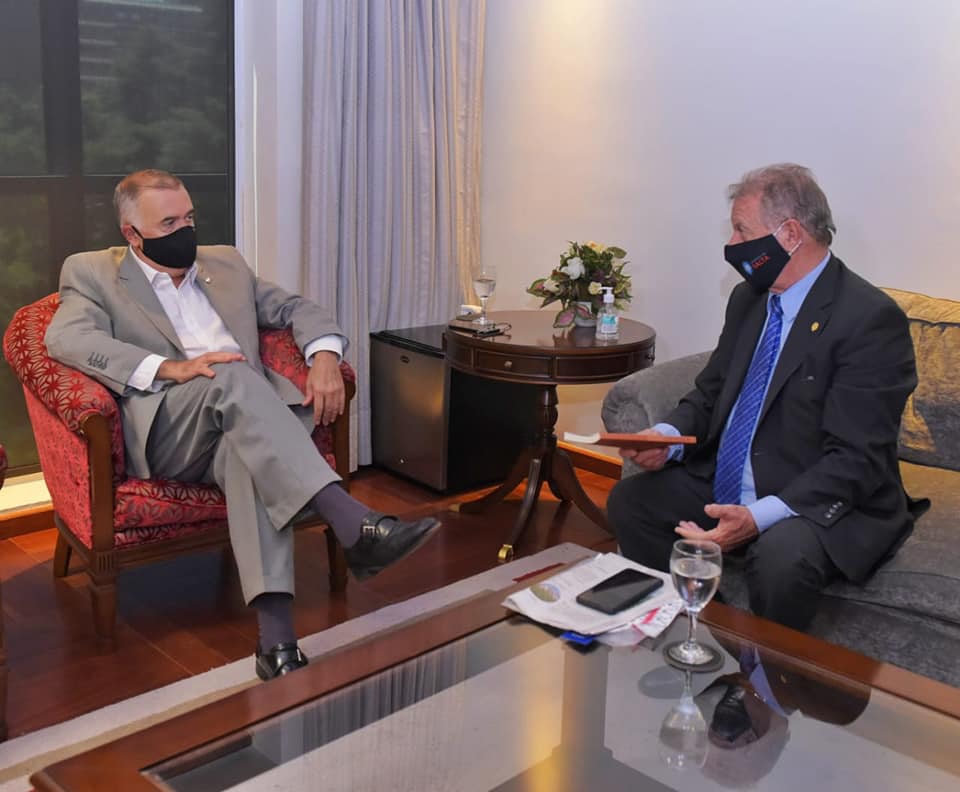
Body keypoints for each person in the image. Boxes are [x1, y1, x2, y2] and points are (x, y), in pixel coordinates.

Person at [45, 169, 441, 680]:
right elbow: (67, 339)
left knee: (247, 457)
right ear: (132, 234)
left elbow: (297, 308)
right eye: (169, 223)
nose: (185, 230)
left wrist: (324, 357)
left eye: (189, 218)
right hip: (171, 429)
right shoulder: (92, 272)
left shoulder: (225, 263)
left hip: (248, 422)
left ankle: (277, 645)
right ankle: (351, 520)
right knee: (229, 375)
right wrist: (170, 368)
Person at [607, 163, 918, 631]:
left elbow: (856, 459)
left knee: (781, 558)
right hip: (734, 476)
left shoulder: (869, 319)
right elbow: (712, 390)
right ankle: (702, 633)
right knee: (632, 502)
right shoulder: (749, 298)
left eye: (742, 230)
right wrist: (668, 438)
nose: (732, 245)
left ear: (790, 234)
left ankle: (765, 670)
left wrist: (756, 518)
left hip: (813, 492)